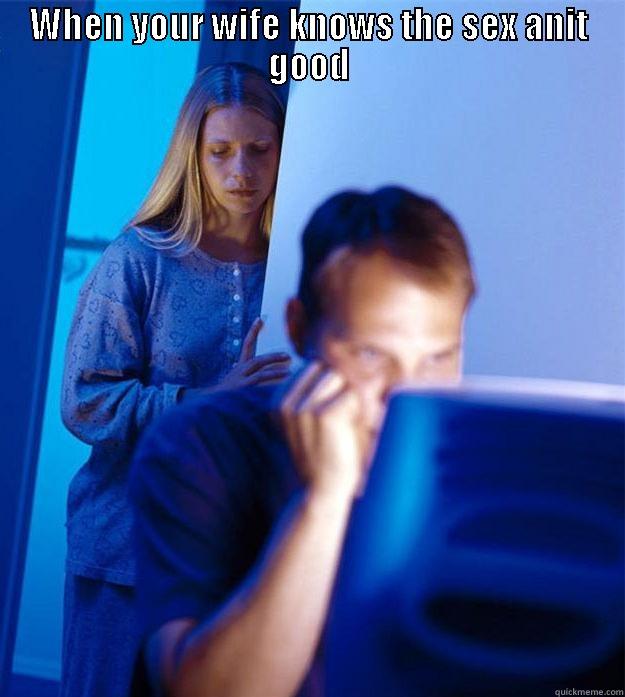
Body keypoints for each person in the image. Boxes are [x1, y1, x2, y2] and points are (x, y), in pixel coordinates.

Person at [130, 186, 476, 697]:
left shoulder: (475, 468)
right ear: (299, 328)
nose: (404, 397)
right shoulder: (195, 445)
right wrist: (322, 501)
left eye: (436, 359)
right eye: (371, 356)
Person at [59, 63, 289, 697]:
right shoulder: (137, 260)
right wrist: (202, 400)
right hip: (124, 551)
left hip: (234, 561)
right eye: (221, 152)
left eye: (259, 149)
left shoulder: (291, 267)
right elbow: (84, 401)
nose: (242, 171)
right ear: (193, 154)